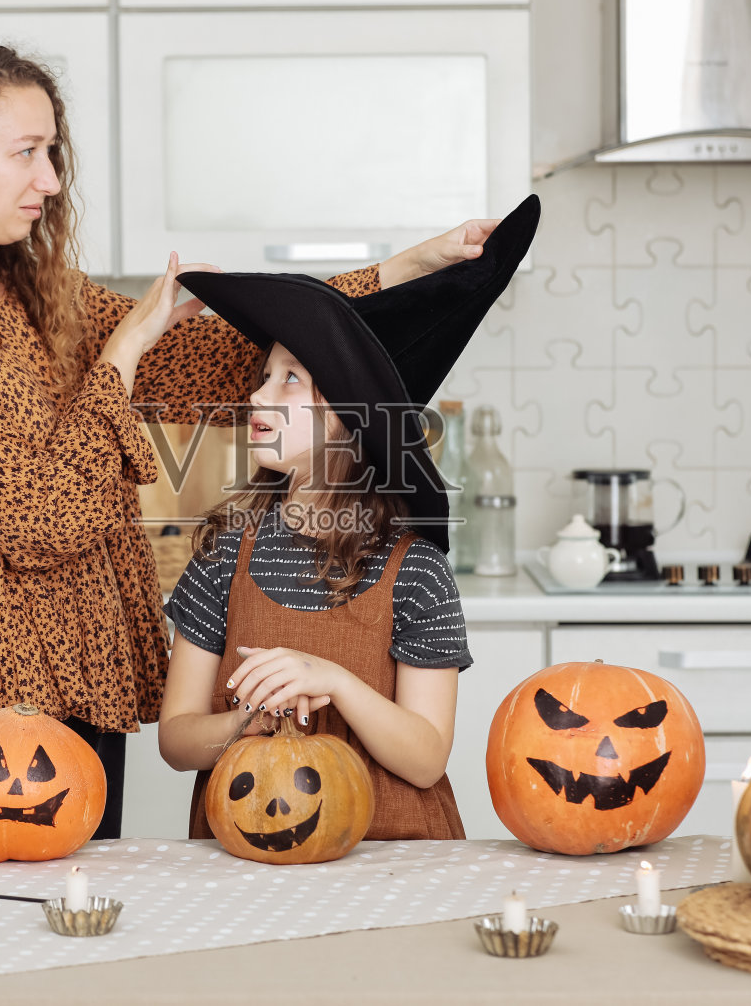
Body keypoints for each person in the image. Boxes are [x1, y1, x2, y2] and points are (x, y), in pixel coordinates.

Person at [0, 41, 504, 840]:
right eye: (25, 154)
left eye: (53, 153)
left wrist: (407, 268)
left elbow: (216, 357)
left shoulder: (41, 296)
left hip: (73, 678)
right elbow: (41, 517)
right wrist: (122, 354)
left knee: (71, 943)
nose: (49, 179)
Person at [157, 196, 541, 841]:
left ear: (349, 415)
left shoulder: (415, 569)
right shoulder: (226, 554)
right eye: (263, 376)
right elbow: (176, 738)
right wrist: (240, 724)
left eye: (289, 380)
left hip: (394, 863)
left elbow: (425, 758)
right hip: (253, 860)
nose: (255, 394)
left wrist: (333, 681)